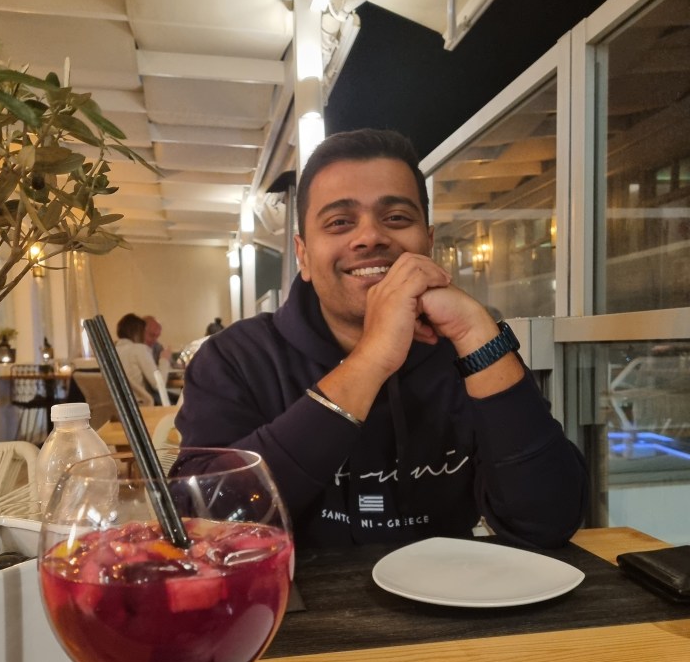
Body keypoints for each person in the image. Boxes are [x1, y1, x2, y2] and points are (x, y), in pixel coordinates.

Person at [177, 128, 587, 549]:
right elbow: (203, 522)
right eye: (339, 222)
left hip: (450, 586)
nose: (371, 236)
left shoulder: (468, 349)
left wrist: (477, 333)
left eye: (396, 218)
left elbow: (547, 520)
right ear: (303, 255)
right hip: (289, 591)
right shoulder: (234, 358)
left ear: (428, 243)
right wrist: (371, 359)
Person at [115, 313, 159, 406]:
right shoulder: (139, 349)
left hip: (118, 406)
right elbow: (158, 384)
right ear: (139, 332)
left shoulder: (112, 351)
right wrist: (164, 360)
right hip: (139, 406)